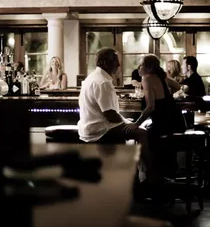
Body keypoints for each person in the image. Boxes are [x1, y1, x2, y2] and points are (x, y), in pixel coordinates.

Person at [77, 47, 152, 181]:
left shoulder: (92, 77)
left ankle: (138, 173)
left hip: (89, 128)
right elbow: (110, 115)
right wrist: (127, 123)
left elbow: (110, 114)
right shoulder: (103, 82)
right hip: (101, 131)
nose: (118, 64)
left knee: (132, 126)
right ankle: (150, 175)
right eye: (116, 61)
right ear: (106, 63)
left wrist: (125, 121)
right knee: (142, 132)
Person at [135, 54, 186, 180]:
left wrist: (136, 123)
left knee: (143, 135)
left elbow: (151, 107)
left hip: (164, 123)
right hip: (176, 120)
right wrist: (167, 97)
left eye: (140, 65)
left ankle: (153, 177)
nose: (138, 68)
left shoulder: (147, 79)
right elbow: (178, 87)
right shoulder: (162, 77)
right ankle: (164, 174)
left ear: (148, 67)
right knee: (147, 131)